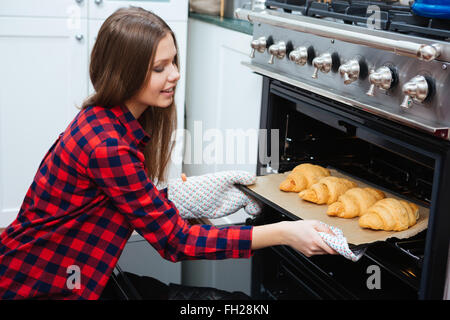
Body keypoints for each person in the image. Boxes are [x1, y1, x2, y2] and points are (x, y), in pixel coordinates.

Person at [0, 6, 336, 300]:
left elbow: (117, 199)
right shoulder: (108, 146)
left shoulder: (104, 118)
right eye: (159, 68)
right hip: (36, 283)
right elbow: (176, 243)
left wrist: (169, 198)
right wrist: (286, 233)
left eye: (173, 61)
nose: (174, 74)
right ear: (125, 73)